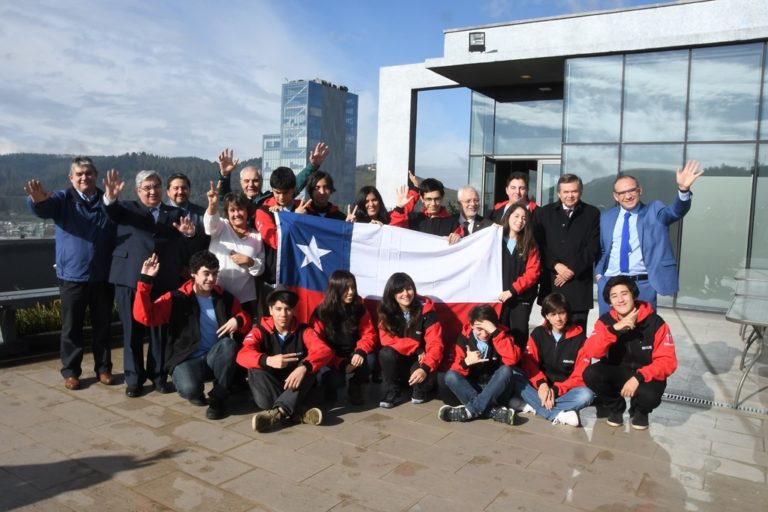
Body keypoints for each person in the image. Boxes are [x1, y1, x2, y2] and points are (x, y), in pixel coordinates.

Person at [24, 156, 116, 390]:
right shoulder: (62, 198)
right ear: (71, 178)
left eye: (89, 173)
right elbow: (44, 208)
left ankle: (104, 368)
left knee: (103, 326)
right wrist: (36, 201)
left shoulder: (107, 200)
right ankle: (71, 371)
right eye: (79, 174)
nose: (84, 177)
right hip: (72, 276)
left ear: (96, 176)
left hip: (103, 275)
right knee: (71, 327)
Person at [102, 169, 195, 397]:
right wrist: (110, 197)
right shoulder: (126, 209)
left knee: (160, 332)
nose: (153, 191)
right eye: (147, 188)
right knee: (131, 331)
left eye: (156, 187)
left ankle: (159, 376)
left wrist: (189, 235)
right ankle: (134, 378)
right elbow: (110, 210)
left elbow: (185, 245)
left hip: (164, 280)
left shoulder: (175, 213)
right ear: (138, 191)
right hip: (129, 278)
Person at [132, 251, 251, 420]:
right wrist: (145, 280)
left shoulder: (225, 298)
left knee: (229, 345)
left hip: (214, 357)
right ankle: (195, 390)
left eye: (215, 273)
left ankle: (218, 398)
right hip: (185, 359)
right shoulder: (176, 298)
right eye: (206, 273)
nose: (211, 279)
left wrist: (238, 320)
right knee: (190, 389)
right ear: (193, 273)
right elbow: (144, 317)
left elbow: (245, 320)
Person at [595, 160, 703, 314]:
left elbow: (675, 212)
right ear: (615, 196)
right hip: (610, 283)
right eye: (622, 193)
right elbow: (604, 250)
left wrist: (683, 189)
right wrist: (599, 275)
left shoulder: (654, 210)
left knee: (645, 327)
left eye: (632, 190)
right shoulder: (606, 217)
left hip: (642, 285)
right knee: (609, 328)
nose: (628, 196)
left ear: (640, 190)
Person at [582, 276, 678, 430]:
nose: (620, 300)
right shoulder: (605, 322)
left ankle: (640, 411)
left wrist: (639, 377)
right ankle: (616, 407)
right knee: (590, 374)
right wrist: (614, 329)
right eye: (614, 296)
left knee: (649, 396)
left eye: (624, 294)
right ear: (610, 301)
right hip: (618, 371)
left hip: (646, 374)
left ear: (633, 295)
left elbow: (668, 361)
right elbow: (591, 352)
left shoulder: (655, 322)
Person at [237, 287, 333, 432]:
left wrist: (304, 367)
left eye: (288, 309)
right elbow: (242, 355)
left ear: (294, 311)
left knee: (310, 366)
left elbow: (324, 351)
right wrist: (267, 360)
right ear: (270, 310)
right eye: (278, 309)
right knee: (254, 368)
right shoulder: (259, 331)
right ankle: (297, 411)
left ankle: (278, 413)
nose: (283, 314)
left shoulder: (304, 330)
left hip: (295, 386)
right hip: (269, 390)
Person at [532, 174, 600, 331]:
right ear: (559, 193)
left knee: (577, 334)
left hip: (579, 286)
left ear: (580, 192)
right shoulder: (544, 213)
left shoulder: (592, 213)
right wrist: (556, 265)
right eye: (566, 192)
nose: (570, 195)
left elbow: (593, 247)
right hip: (552, 283)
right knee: (551, 335)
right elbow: (538, 245)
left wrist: (571, 270)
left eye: (574, 191)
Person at [516, 293, 594, 427]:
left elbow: (580, 376)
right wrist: (541, 384)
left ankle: (535, 405)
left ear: (567, 314)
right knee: (513, 375)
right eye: (553, 314)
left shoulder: (581, 339)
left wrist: (556, 390)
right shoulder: (538, 333)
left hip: (564, 390)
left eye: (562, 313)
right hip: (539, 387)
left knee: (586, 395)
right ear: (546, 316)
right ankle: (558, 413)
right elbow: (529, 363)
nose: (558, 318)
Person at [438, 304, 519, 424]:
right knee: (450, 376)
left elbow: (512, 359)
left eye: (488, 329)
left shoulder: (502, 335)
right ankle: (491, 411)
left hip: (495, 388)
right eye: (479, 329)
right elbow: (453, 369)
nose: (484, 334)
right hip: (472, 388)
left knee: (506, 370)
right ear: (471, 326)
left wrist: (496, 333)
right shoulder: (463, 338)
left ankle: (469, 411)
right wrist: (466, 362)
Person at [310, 270, 378, 405]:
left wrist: (360, 351)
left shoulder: (359, 308)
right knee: (336, 381)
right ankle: (329, 387)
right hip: (331, 358)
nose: (351, 292)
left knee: (371, 359)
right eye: (346, 288)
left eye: (353, 287)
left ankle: (355, 385)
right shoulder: (321, 312)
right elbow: (317, 345)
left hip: (354, 352)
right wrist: (339, 363)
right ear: (335, 289)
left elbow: (369, 333)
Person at [377, 272, 443, 408]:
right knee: (386, 353)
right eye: (400, 290)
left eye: (409, 288)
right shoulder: (386, 312)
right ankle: (393, 391)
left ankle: (423, 386)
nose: (406, 294)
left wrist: (425, 368)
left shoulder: (427, 312)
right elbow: (386, 340)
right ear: (392, 293)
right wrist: (416, 348)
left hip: (422, 361)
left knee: (418, 397)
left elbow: (436, 344)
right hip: (403, 360)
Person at [204, 183, 264, 317]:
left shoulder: (257, 236)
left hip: (245, 299)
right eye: (232, 210)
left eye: (240, 209)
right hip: (218, 295)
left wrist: (249, 261)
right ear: (227, 213)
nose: (236, 214)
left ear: (247, 211)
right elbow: (209, 225)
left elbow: (260, 269)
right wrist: (212, 206)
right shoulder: (222, 226)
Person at [216, 142, 329, 210]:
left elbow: (294, 185)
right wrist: (224, 175)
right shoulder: (237, 202)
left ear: (261, 181)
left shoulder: (273, 198)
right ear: (241, 182)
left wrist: (313, 165)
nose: (251, 185)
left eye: (255, 180)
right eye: (247, 181)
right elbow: (224, 199)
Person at [498, 204, 541, 349]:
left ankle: (518, 363)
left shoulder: (530, 245)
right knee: (499, 334)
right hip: (499, 298)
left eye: (524, 218)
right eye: (516, 216)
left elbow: (533, 273)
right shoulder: (496, 240)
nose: (520, 221)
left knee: (519, 336)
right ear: (508, 216)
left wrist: (513, 290)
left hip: (521, 299)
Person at [390, 177, 459, 237]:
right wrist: (399, 208)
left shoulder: (453, 224)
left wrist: (458, 236)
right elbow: (393, 231)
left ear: (442, 198)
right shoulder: (413, 219)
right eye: (429, 199)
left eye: (437, 199)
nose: (433, 203)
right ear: (422, 198)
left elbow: (462, 241)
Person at [166, 172, 209, 255]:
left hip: (195, 260)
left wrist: (192, 235)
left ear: (189, 190)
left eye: (184, 188)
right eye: (176, 188)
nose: (180, 191)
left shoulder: (202, 214)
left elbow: (207, 241)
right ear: (168, 192)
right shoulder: (160, 213)